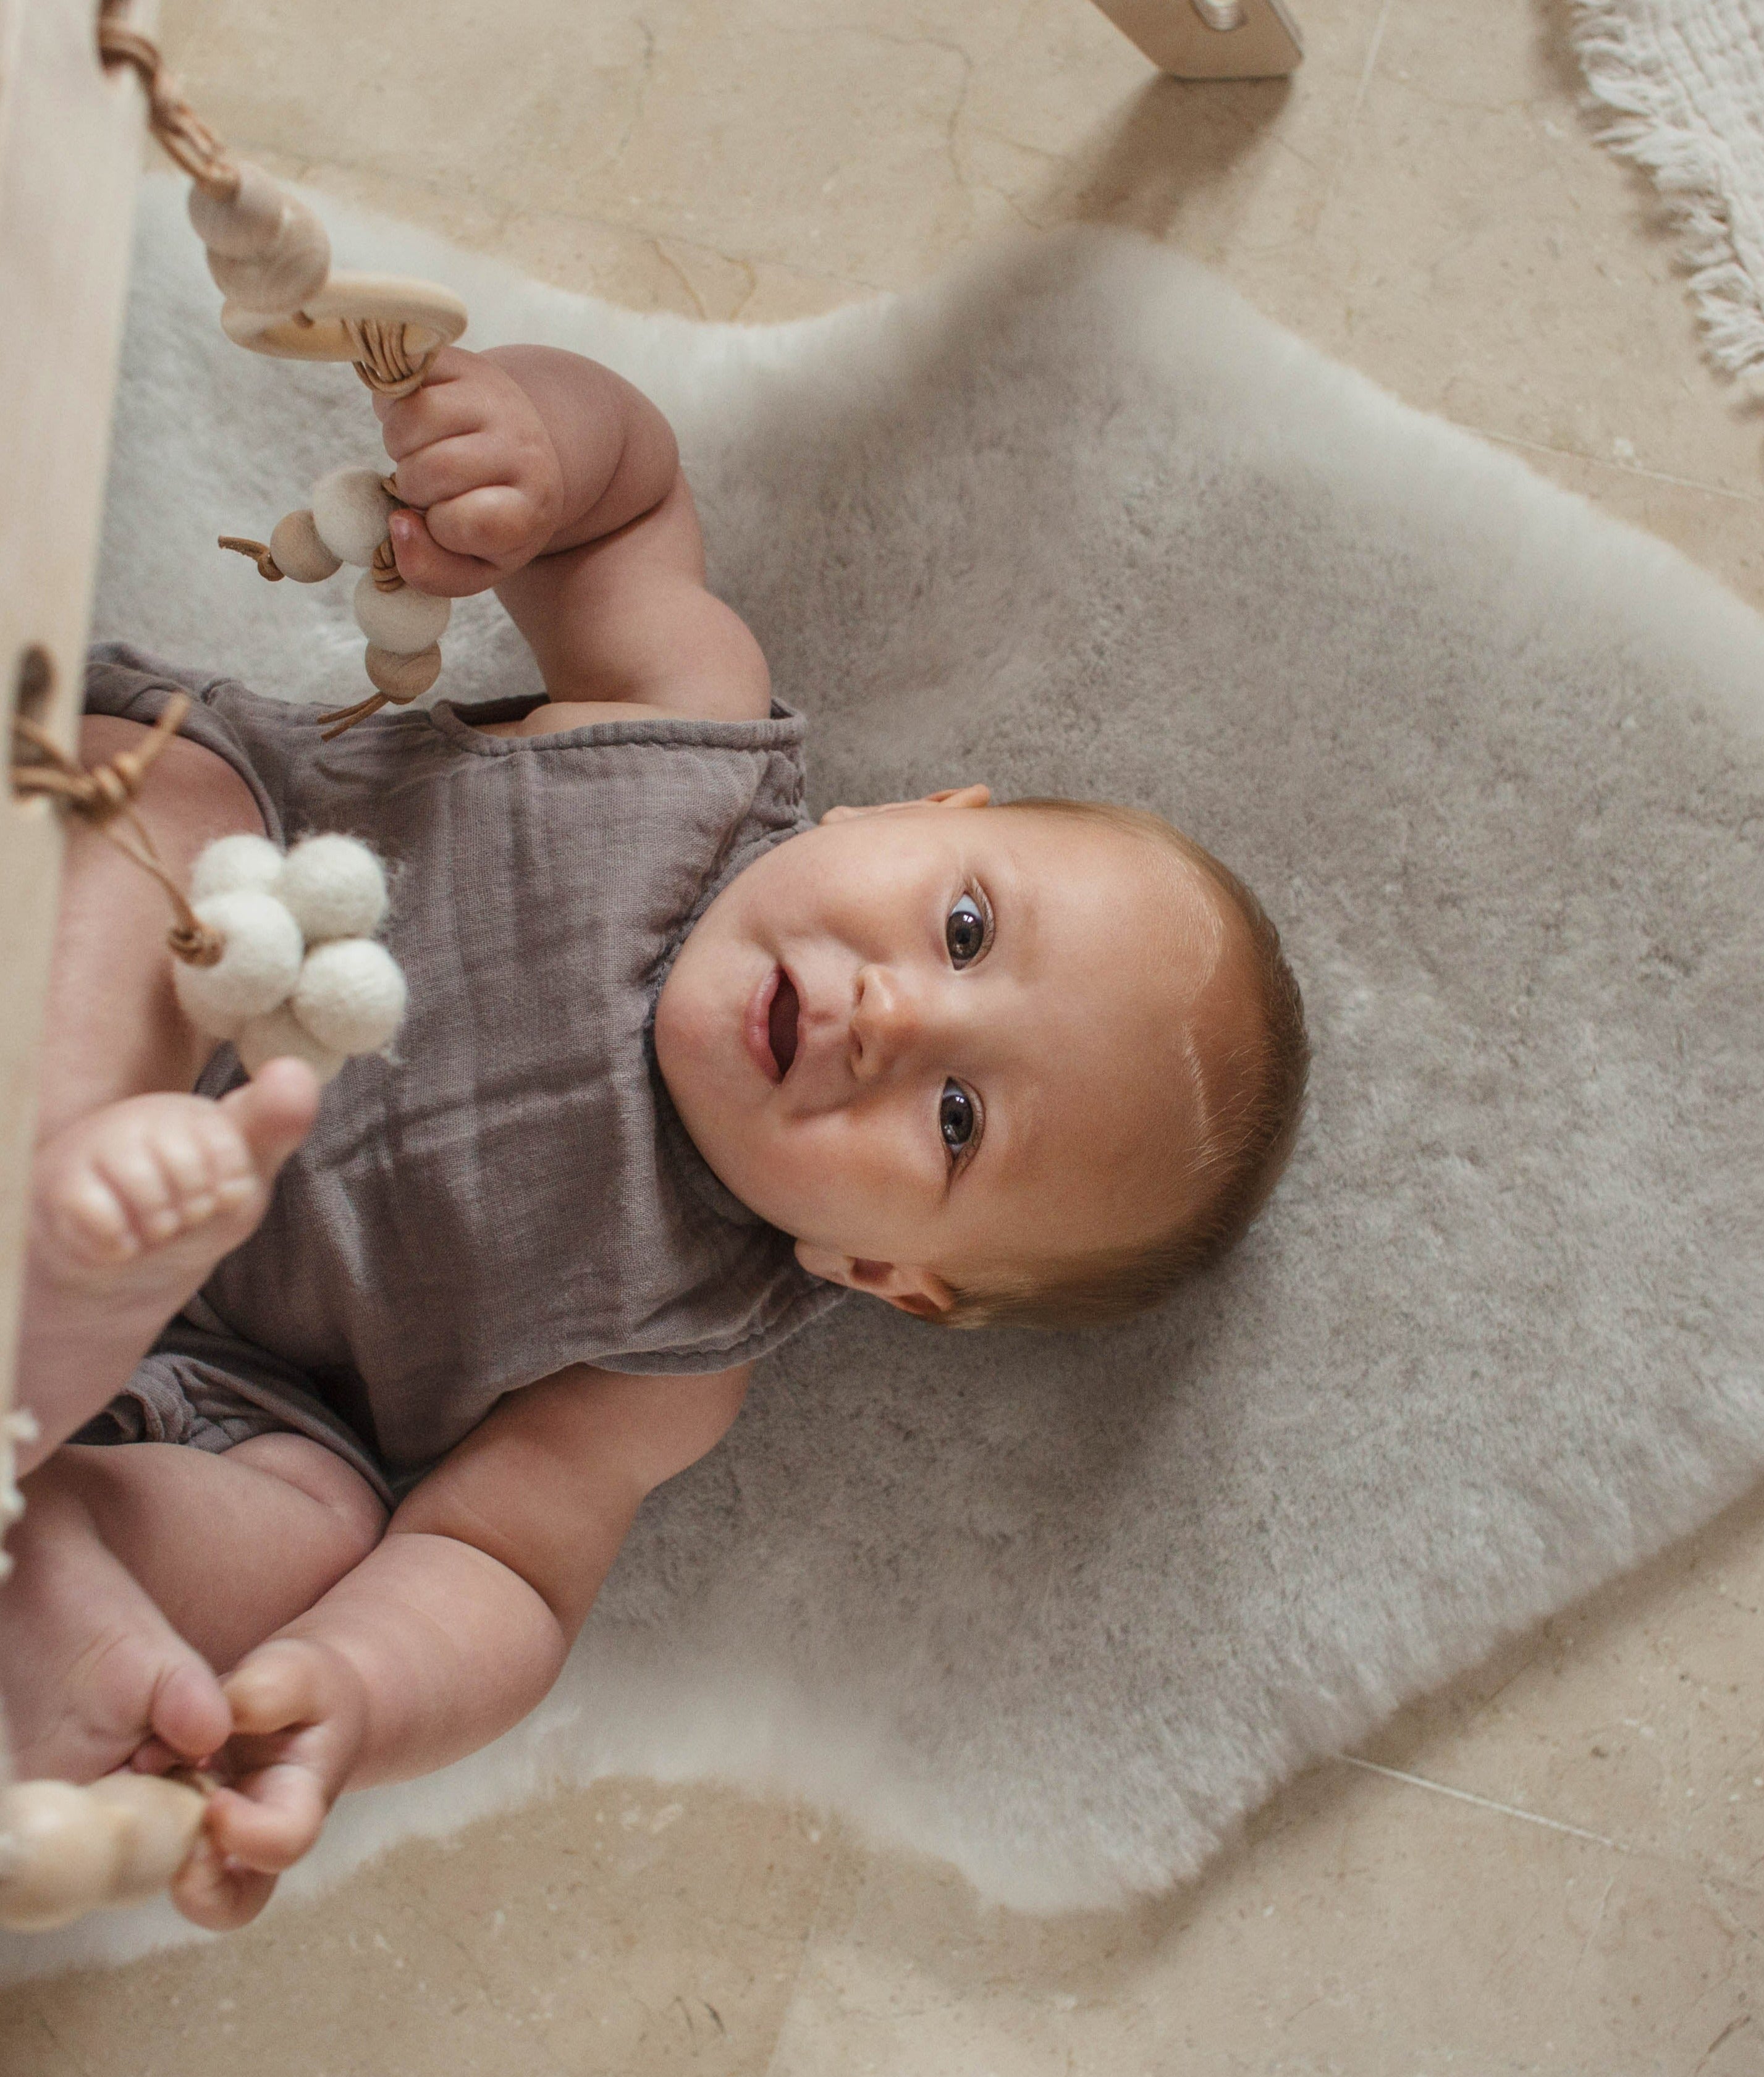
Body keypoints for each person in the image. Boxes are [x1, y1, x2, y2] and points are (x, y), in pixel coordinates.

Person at [0, 344, 1307, 1927]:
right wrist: (533, 455)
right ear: (916, 817)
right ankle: (43, 1257)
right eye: (963, 927)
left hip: (213, 1362)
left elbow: (501, 1574)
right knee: (188, 836)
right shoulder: (694, 723)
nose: (894, 1015)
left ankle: (61, 1573)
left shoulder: (672, 1357)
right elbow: (625, 506)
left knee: (322, 1518)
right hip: (210, 917)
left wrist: (347, 1692)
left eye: (957, 1118)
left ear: (886, 1269)